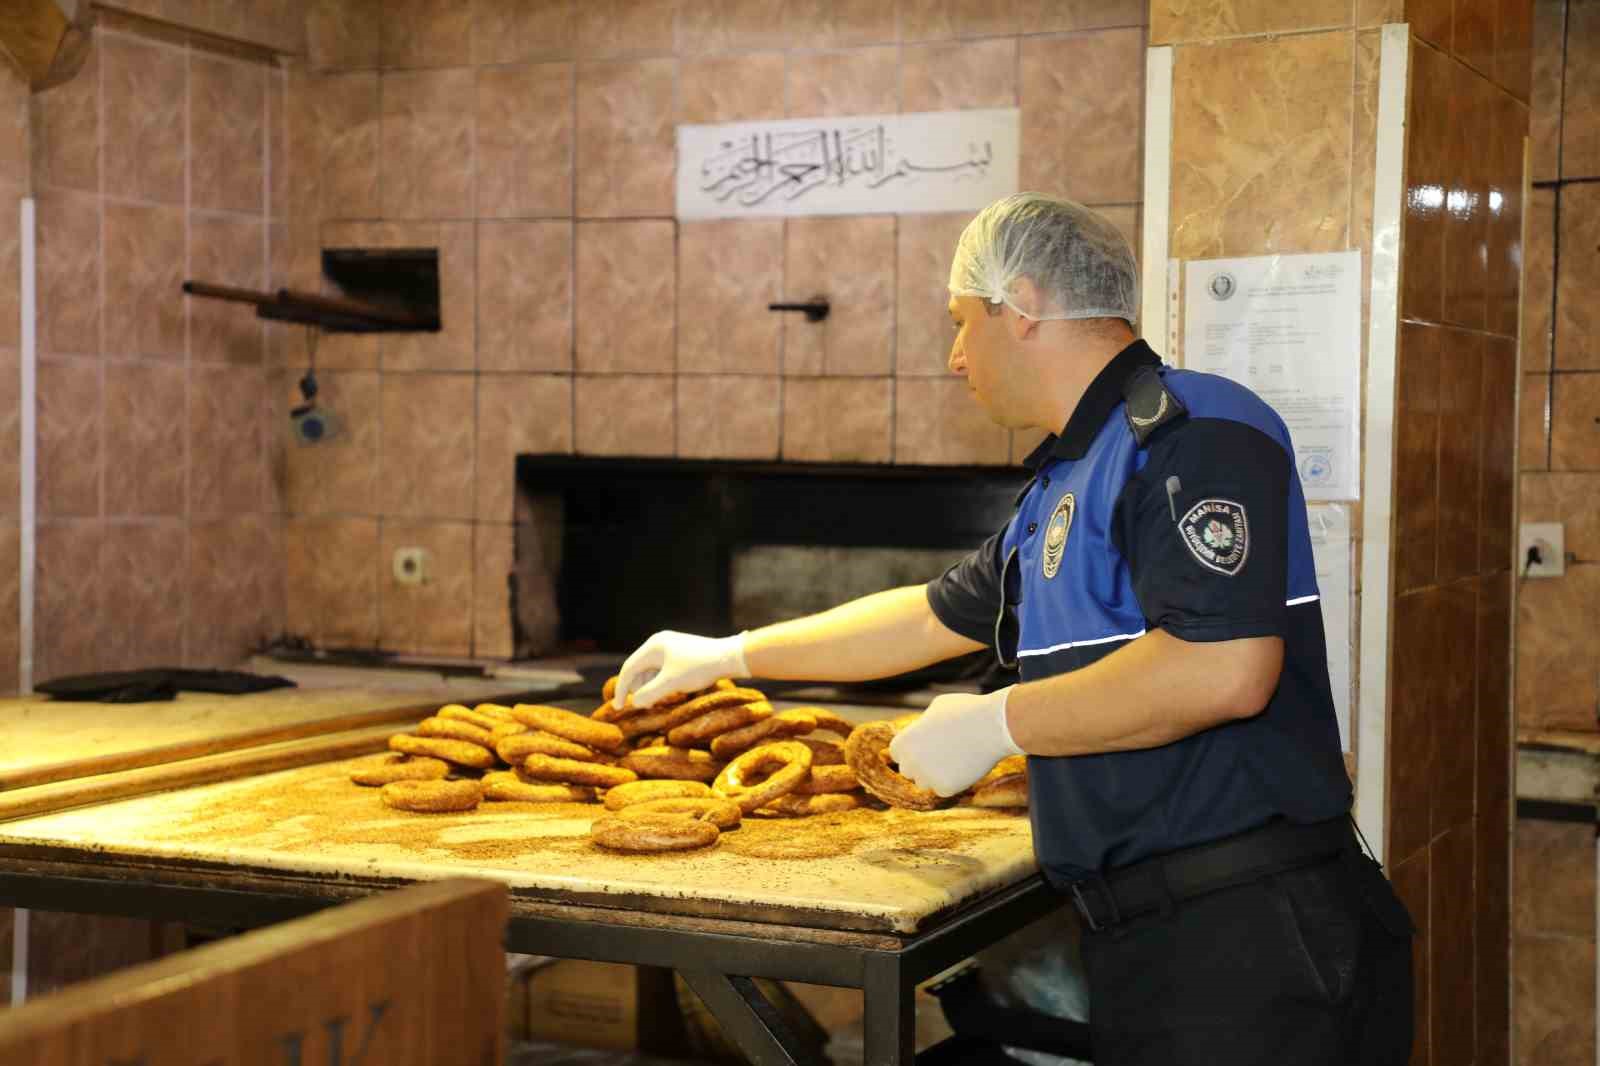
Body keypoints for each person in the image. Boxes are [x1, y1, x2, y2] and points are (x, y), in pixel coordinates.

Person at [610, 193, 1414, 1066]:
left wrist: (998, 724)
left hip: (1256, 939)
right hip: (1155, 937)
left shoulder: (1192, 434)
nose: (955, 356)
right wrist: (730, 652)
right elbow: (925, 615)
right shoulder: (1061, 486)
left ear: (1019, 304)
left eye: (961, 322)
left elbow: (1222, 667)